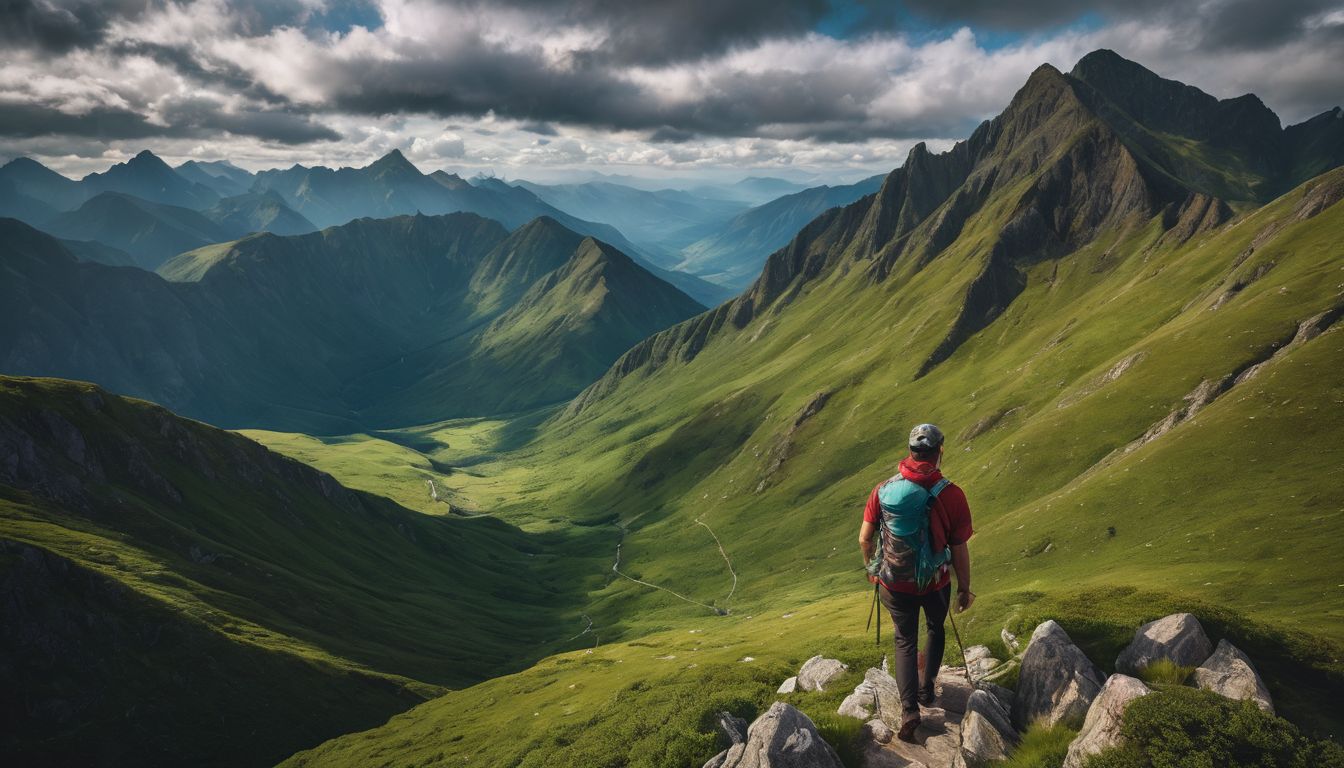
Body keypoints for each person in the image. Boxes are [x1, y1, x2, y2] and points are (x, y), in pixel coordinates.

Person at [858, 423, 974, 742]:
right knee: (936, 628)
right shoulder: (952, 494)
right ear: (939, 453)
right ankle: (926, 691)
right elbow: (960, 548)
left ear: (910, 452)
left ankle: (909, 710)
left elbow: (865, 537)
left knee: (904, 640)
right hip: (935, 583)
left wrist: (873, 567)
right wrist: (964, 588)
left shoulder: (883, 490)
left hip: (894, 583)